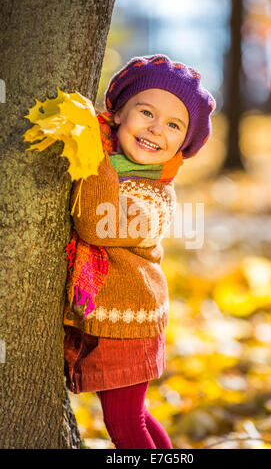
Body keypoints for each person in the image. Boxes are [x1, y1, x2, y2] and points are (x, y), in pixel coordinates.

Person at [63, 54, 215, 449]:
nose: (155, 129)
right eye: (145, 111)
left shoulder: (155, 196)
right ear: (116, 114)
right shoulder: (114, 166)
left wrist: (90, 153)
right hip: (104, 319)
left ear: (183, 144)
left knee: (125, 423)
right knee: (137, 415)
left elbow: (96, 222)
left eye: (173, 125)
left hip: (130, 323)